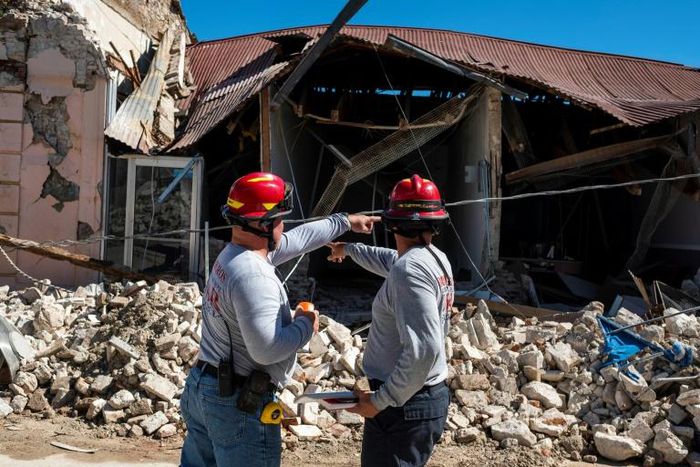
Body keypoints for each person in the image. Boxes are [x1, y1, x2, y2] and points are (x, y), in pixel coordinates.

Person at [180, 171, 379, 467]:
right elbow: (266, 349)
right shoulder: (252, 275)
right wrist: (304, 325)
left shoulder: (236, 255)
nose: (283, 226)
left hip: (205, 388)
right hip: (237, 402)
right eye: (280, 219)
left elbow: (299, 239)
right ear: (263, 224)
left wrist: (346, 222)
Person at [327, 174, 454, 467]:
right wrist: (348, 249)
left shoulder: (409, 271)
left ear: (393, 222)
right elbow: (389, 259)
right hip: (416, 400)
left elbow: (424, 350)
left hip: (404, 406)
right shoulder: (433, 258)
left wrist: (381, 400)